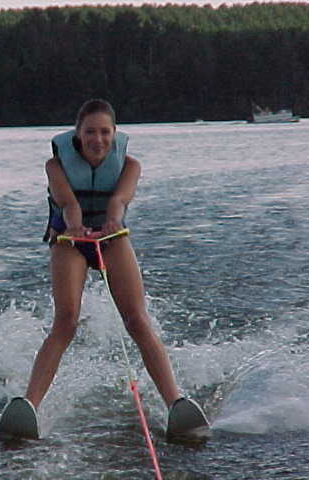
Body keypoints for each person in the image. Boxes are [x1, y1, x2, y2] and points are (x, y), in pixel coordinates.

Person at [25, 99, 181, 411]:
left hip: (111, 237)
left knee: (136, 320)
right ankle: (28, 405)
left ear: (114, 133)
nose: (98, 139)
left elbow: (119, 201)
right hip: (70, 239)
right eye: (90, 132)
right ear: (78, 134)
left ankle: (175, 402)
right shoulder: (55, 165)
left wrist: (112, 222)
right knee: (66, 322)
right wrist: (76, 228)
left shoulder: (130, 166)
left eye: (105, 132)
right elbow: (67, 202)